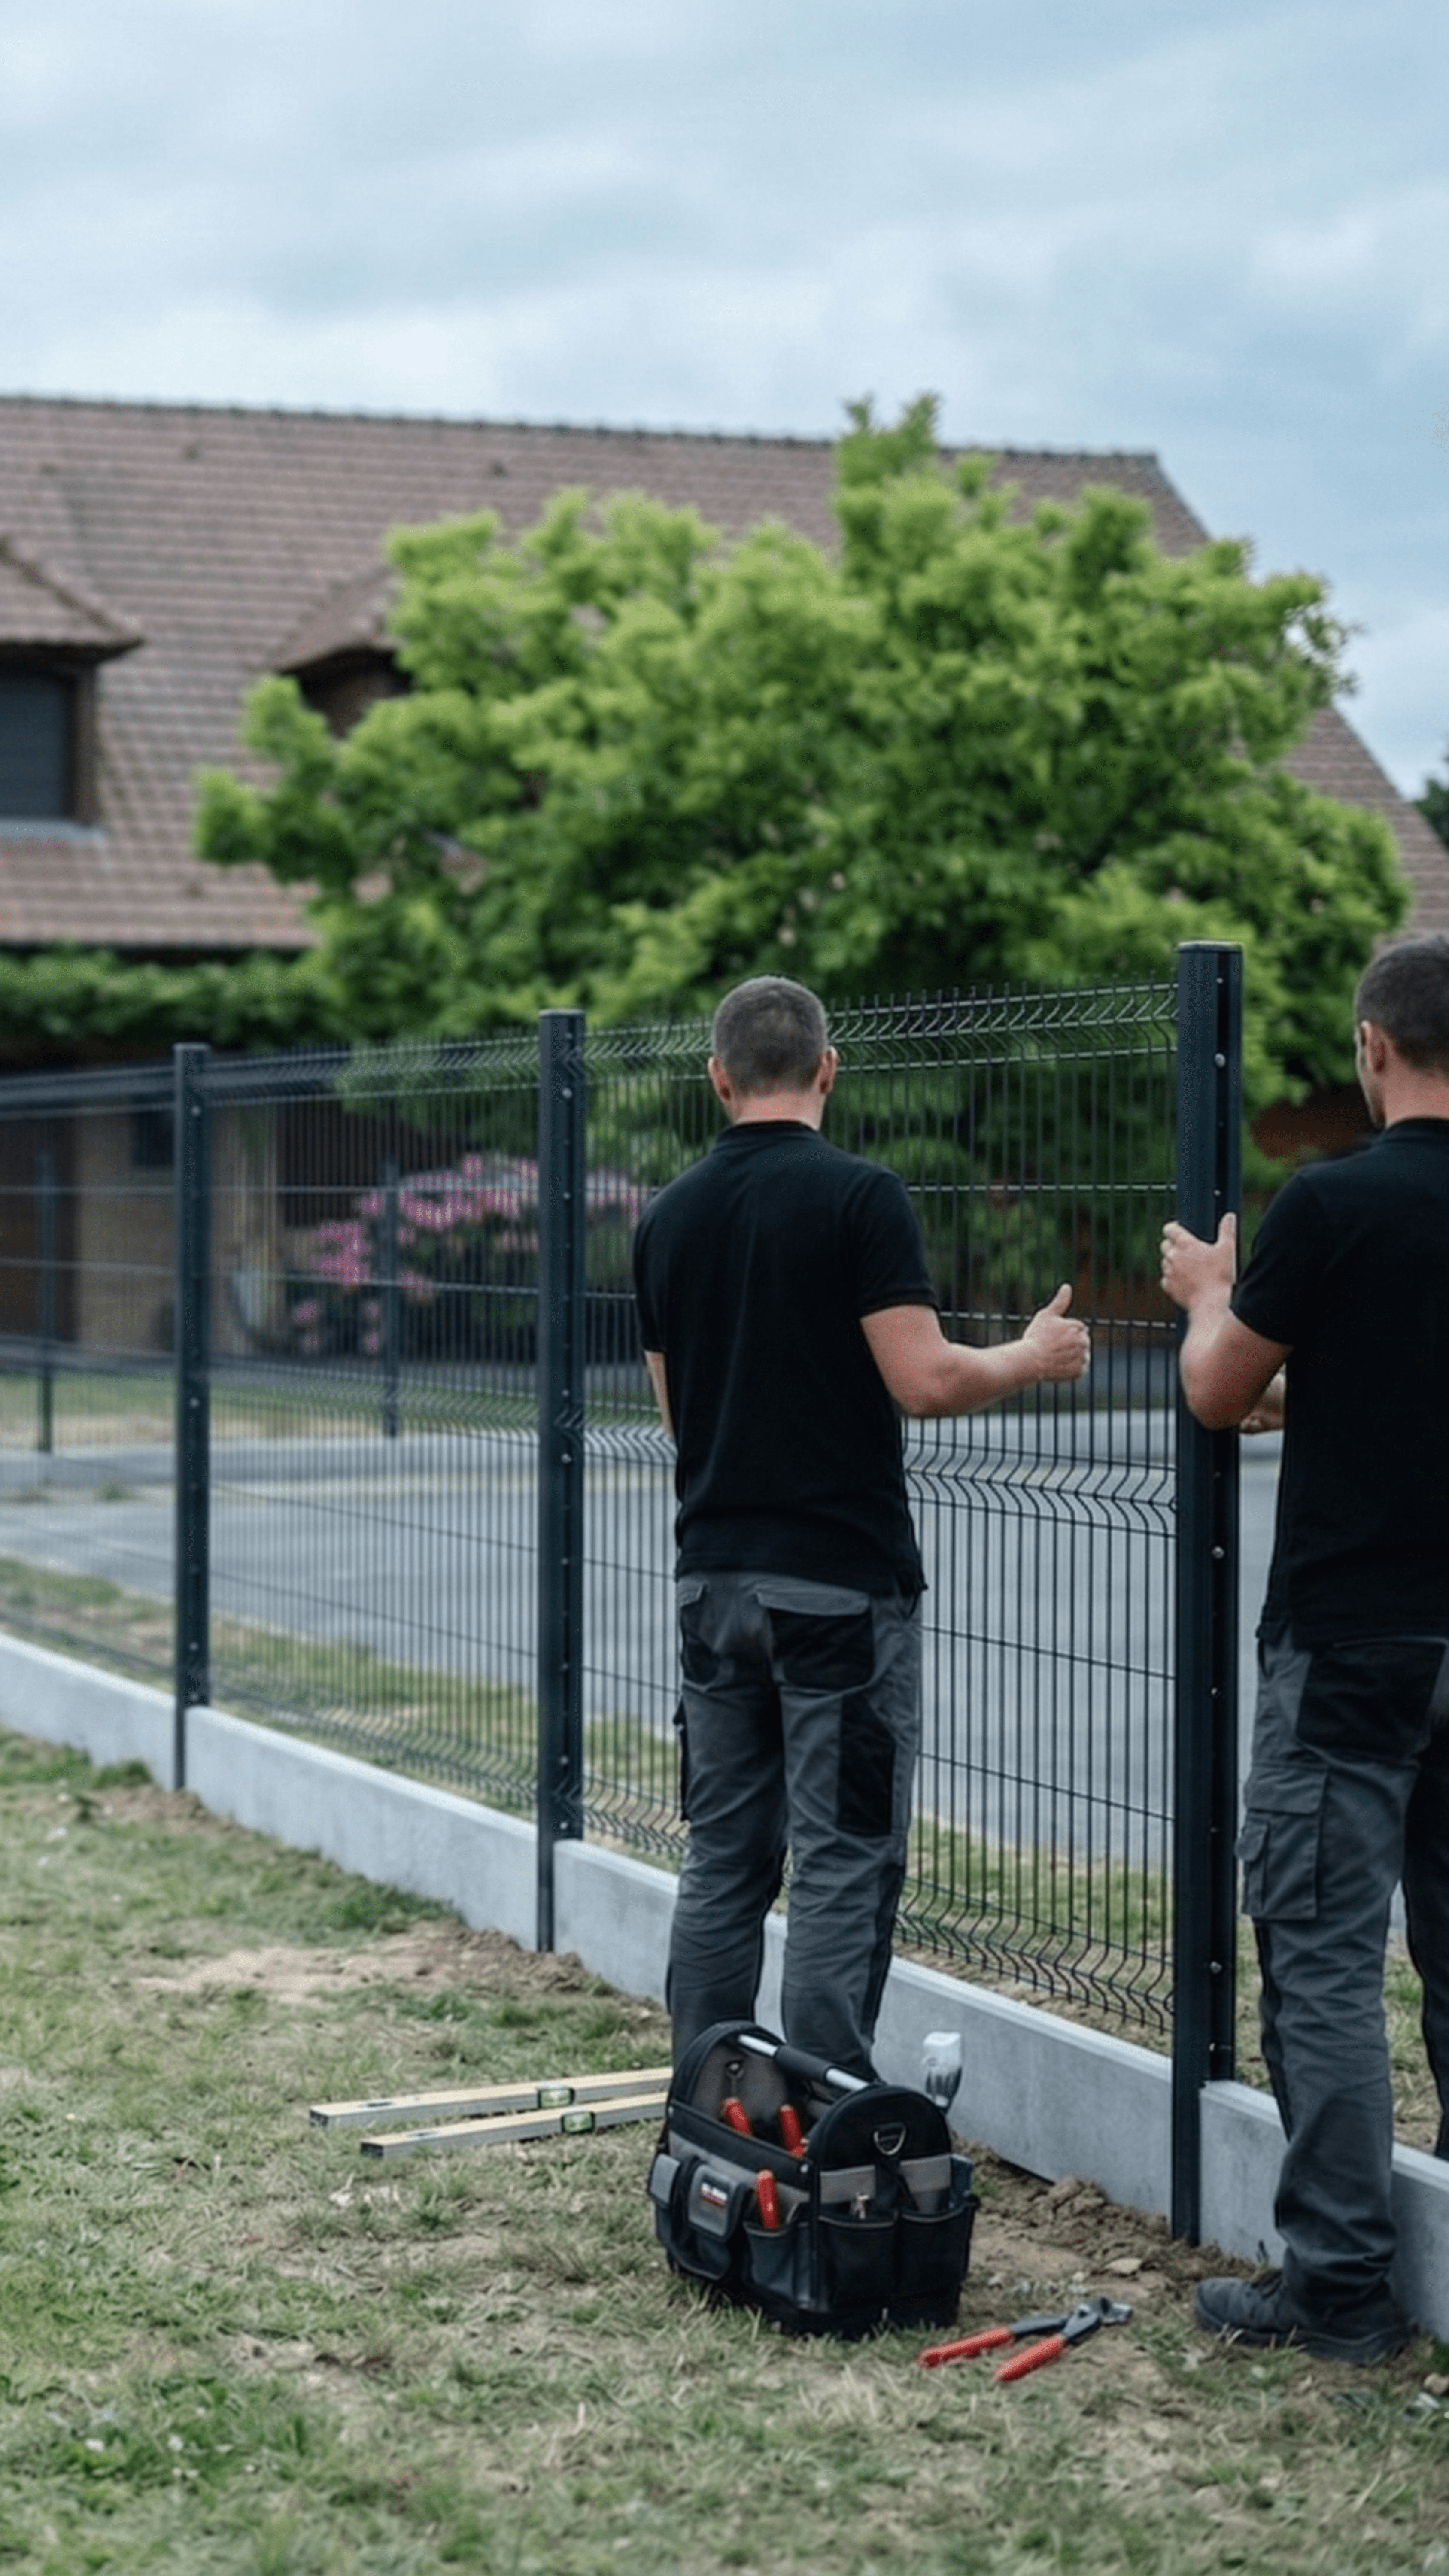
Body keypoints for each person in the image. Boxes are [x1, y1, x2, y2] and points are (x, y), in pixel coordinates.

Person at [632, 975, 1091, 2079]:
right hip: (837, 1589)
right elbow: (924, 1381)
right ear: (829, 1070)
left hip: (713, 1586)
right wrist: (1030, 1357)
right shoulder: (860, 1198)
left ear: (720, 1079)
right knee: (842, 1858)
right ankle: (822, 2112)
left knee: (727, 1860)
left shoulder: (665, 1219)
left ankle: (711, 2101)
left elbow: (674, 1414)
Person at [1161, 932, 1449, 2367]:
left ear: (1371, 1049)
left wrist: (1213, 1292)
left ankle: (1338, 2284)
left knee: (1326, 1960)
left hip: (1351, 1639)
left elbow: (1218, 1392)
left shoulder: (1333, 1203)